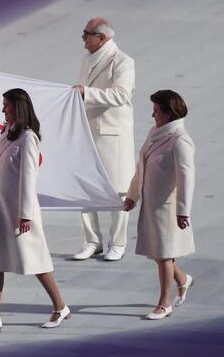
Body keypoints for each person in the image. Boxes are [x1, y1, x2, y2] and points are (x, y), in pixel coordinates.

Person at [0, 89, 70, 333]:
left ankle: (60, 306)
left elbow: (28, 178)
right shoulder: (6, 134)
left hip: (20, 212)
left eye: (7, 106)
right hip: (3, 208)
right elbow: (1, 173)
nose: (3, 110)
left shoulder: (27, 138)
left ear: (18, 108)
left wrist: (26, 214)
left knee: (34, 260)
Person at [124, 90, 195, 320]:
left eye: (156, 111)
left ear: (168, 113)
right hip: (151, 205)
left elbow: (186, 179)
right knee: (159, 253)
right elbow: (140, 167)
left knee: (164, 255)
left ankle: (164, 304)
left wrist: (183, 211)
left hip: (167, 208)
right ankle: (183, 280)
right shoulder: (155, 133)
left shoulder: (180, 141)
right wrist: (132, 195)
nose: (152, 115)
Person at [72, 17, 136, 261]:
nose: (83, 38)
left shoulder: (123, 61)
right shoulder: (87, 59)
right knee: (86, 188)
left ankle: (118, 242)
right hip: (87, 131)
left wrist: (86, 93)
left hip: (111, 134)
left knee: (118, 190)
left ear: (102, 38)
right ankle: (91, 241)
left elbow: (120, 94)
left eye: (87, 33)